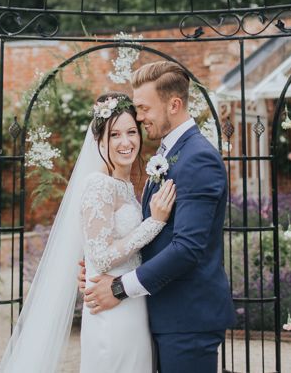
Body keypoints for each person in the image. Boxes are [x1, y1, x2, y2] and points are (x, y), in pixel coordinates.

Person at [0, 92, 175, 373]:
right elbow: (101, 257)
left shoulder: (124, 187)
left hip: (130, 304)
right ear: (99, 141)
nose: (125, 142)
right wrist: (154, 222)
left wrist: (90, 268)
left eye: (131, 132)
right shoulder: (99, 185)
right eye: (115, 134)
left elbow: (105, 251)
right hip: (112, 312)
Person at [79, 61, 236, 373]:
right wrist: (98, 266)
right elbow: (147, 235)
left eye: (143, 108)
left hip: (187, 318)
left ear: (174, 104)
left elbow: (187, 248)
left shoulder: (198, 158)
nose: (138, 118)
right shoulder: (169, 153)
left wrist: (119, 286)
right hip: (159, 313)